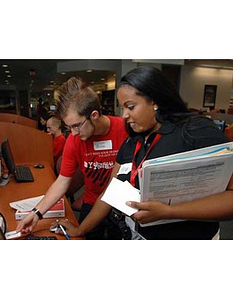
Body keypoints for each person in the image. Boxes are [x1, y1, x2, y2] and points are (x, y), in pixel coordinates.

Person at [54, 66, 233, 240]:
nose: (124, 115)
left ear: (154, 101)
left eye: (130, 107)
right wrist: (80, 229)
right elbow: (109, 193)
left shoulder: (196, 131)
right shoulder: (131, 142)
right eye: (122, 108)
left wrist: (169, 212)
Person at [16, 77, 128, 239]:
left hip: (121, 205)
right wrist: (36, 213)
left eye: (76, 125)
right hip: (91, 202)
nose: (73, 133)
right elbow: (62, 181)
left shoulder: (125, 129)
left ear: (94, 115)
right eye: (69, 127)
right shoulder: (74, 139)